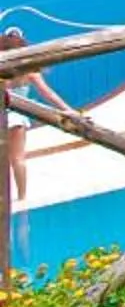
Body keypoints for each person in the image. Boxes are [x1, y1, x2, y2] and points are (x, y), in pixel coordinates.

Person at [1, 26, 79, 202]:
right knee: (18, 159)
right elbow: (48, 93)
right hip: (18, 117)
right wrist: (67, 109)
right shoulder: (29, 72)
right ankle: (22, 197)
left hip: (2, 118)